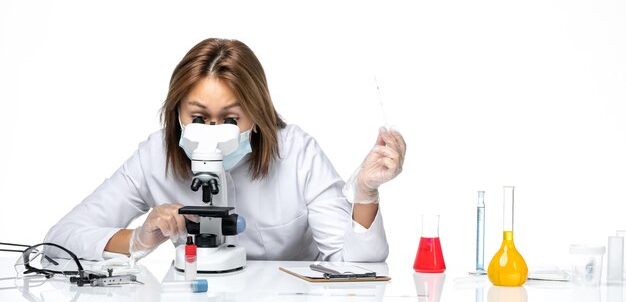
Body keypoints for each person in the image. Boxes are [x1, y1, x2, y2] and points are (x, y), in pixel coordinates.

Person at [44, 38, 406, 262]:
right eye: (199, 117)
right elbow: (61, 238)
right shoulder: (156, 155)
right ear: (177, 113)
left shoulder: (295, 153)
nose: (212, 133)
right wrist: (139, 239)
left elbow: (358, 263)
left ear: (258, 113)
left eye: (231, 119)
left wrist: (365, 192)